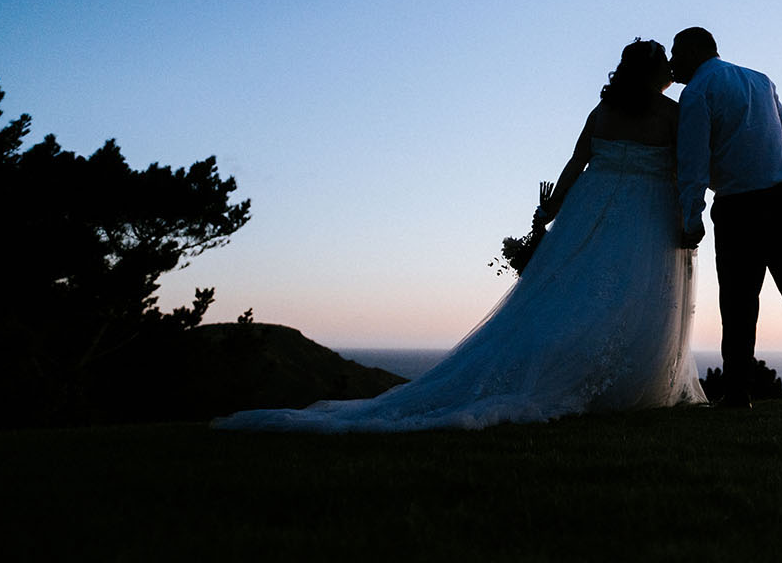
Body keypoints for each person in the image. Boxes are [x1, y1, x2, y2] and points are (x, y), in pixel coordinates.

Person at [214, 39, 705, 432]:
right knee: (632, 299)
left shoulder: (602, 114)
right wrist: (688, 213)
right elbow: (685, 168)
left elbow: (575, 164)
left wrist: (549, 214)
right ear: (657, 70)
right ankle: (621, 386)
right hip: (644, 218)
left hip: (590, 211)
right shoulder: (672, 116)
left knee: (576, 296)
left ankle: (590, 380)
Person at [670, 27, 782, 407]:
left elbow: (693, 161)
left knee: (738, 300)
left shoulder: (697, 93)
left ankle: (737, 390)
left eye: (676, 54)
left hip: (739, 204)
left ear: (694, 52)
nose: (672, 63)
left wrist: (692, 216)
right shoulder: (760, 80)